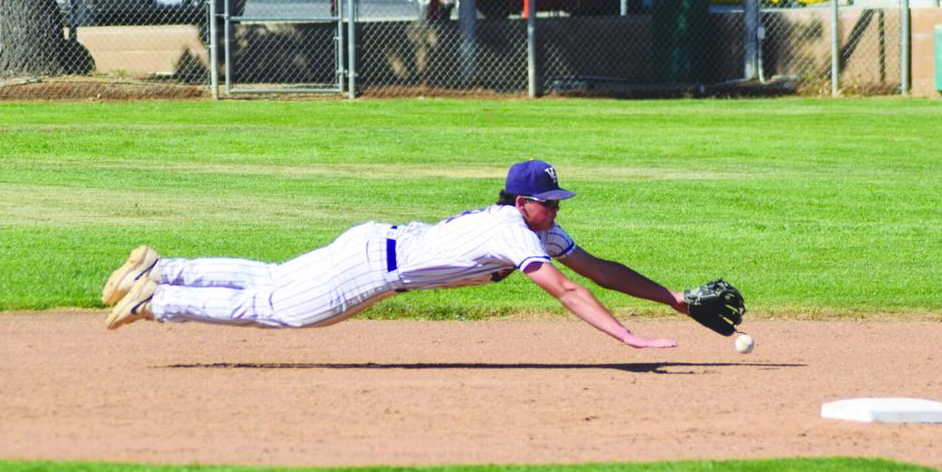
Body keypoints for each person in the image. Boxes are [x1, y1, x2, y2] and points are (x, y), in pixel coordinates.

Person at [103, 159, 688, 349]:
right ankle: (161, 300)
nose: (555, 210)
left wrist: (674, 300)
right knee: (279, 306)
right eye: (547, 202)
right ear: (520, 200)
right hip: (372, 267)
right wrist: (628, 338)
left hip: (372, 241)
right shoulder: (514, 231)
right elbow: (566, 289)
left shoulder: (530, 230)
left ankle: (158, 267)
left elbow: (598, 270)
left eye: (556, 202)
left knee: (273, 277)